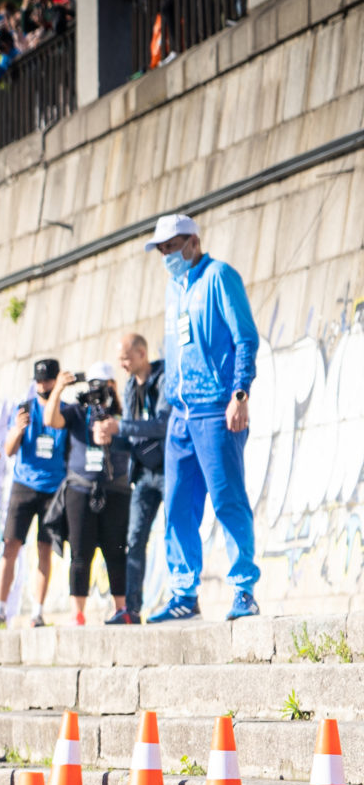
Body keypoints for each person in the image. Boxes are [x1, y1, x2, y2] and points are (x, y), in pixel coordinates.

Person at [143, 214, 261, 621]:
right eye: (161, 249)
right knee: (177, 507)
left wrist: (239, 394)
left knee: (228, 500)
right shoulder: (173, 288)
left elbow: (245, 337)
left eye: (171, 246)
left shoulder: (219, 276)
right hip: (181, 413)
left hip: (216, 408)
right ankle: (183, 595)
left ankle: (243, 590)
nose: (166, 255)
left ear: (192, 241)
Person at [0, 358, 74, 627]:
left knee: (44, 549)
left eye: (47, 380)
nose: (41, 385)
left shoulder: (67, 412)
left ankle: (37, 612)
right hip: (24, 485)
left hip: (54, 489)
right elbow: (9, 450)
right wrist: (17, 429)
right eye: (38, 380)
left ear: (55, 380)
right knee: (11, 546)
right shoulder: (24, 410)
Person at [56, 366, 132, 625]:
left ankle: (121, 609)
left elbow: (133, 434)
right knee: (80, 552)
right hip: (80, 489)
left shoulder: (121, 413)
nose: (98, 391)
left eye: (104, 384)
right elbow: (50, 420)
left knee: (116, 550)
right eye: (94, 384)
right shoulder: (78, 412)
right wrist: (59, 388)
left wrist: (114, 421)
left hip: (116, 488)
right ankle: (78, 614)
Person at [111, 332, 167, 624]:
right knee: (134, 539)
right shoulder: (130, 386)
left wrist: (119, 427)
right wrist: (108, 438)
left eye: (126, 358)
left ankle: (183, 599)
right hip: (144, 474)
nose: (122, 364)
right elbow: (131, 437)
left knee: (176, 533)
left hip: (170, 469)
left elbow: (162, 425)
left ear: (142, 354)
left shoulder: (164, 377)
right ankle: (132, 609)